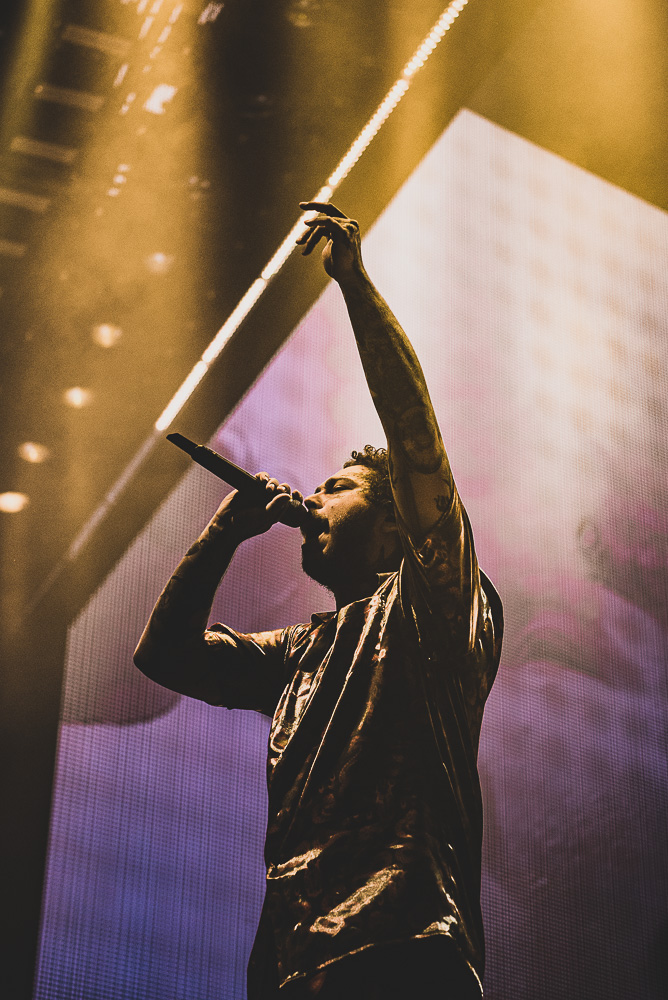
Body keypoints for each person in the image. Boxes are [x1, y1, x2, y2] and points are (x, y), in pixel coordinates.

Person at [134, 202, 503, 999]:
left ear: (398, 519)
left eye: (337, 488)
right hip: (291, 968)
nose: (313, 496)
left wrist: (355, 285)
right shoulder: (303, 652)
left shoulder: (432, 604)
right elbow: (161, 657)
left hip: (404, 947)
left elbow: (415, 439)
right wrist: (223, 535)